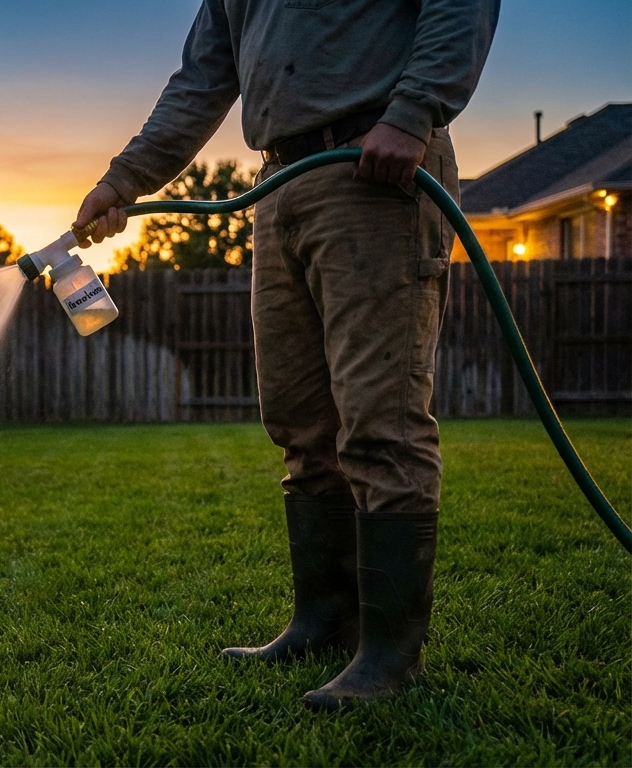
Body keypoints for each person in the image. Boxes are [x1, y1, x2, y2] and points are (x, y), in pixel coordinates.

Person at [74, 0, 500, 710]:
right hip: (279, 186)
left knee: (379, 422)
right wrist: (125, 179)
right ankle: (323, 622)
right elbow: (202, 79)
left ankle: (391, 658)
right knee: (301, 423)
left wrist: (413, 112)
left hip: (376, 167)